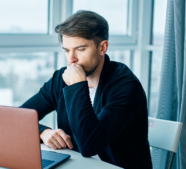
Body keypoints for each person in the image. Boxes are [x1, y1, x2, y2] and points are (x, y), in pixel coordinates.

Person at [20, 10, 152, 169]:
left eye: (80, 49)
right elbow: (20, 116)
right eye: (67, 50)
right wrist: (42, 132)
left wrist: (77, 86)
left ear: (102, 48)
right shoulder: (60, 79)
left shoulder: (126, 86)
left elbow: (90, 145)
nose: (71, 59)